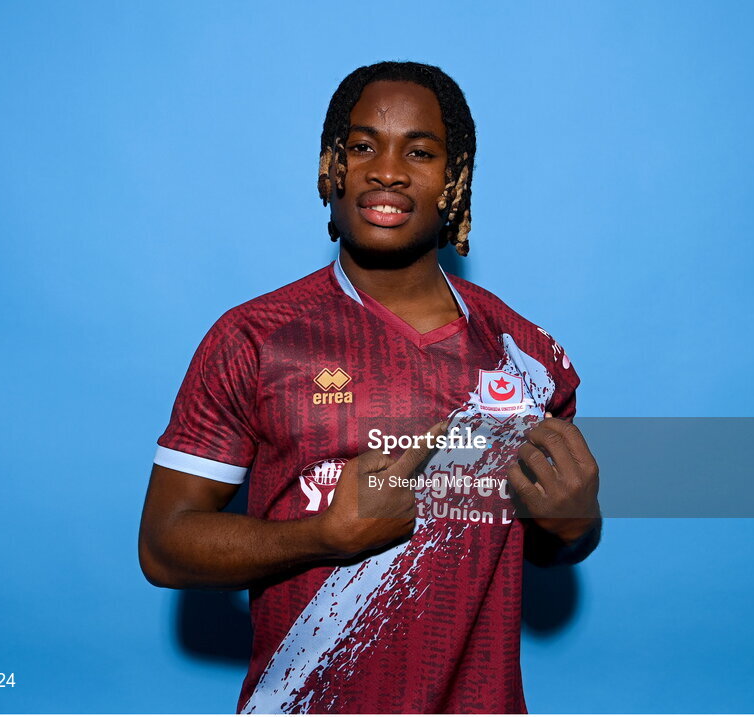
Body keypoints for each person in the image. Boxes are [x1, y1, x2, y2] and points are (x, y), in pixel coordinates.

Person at [139, 60, 602, 714]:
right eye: (362, 146)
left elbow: (558, 540)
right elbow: (163, 544)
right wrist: (322, 534)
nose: (386, 169)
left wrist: (577, 526)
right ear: (332, 167)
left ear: (456, 176)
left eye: (420, 151)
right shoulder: (253, 338)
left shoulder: (524, 357)